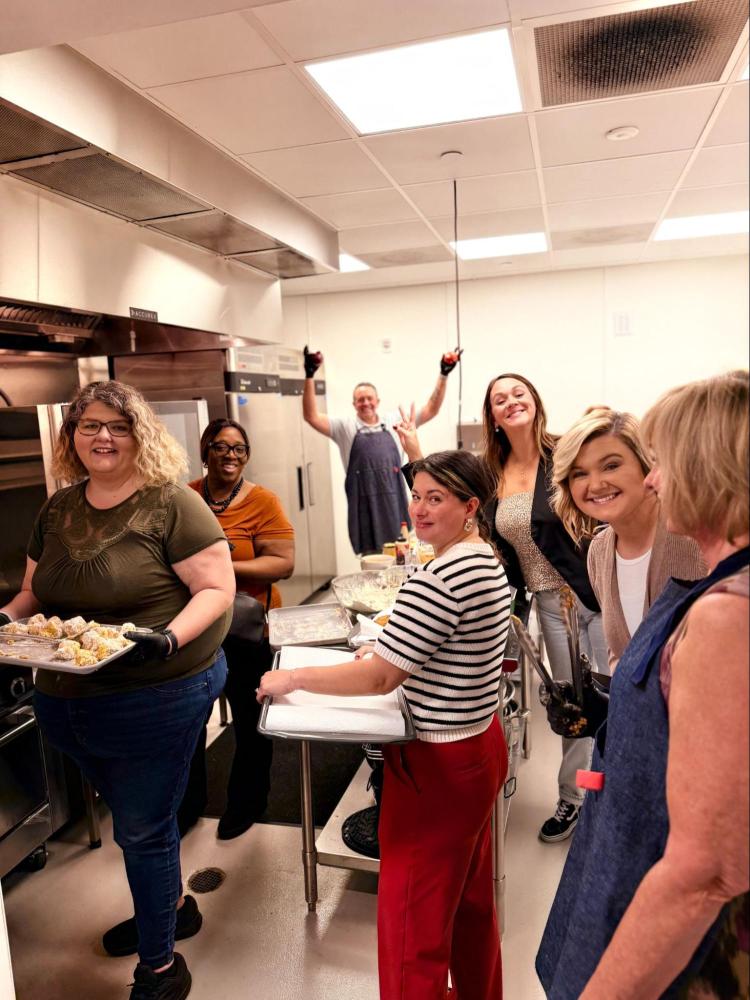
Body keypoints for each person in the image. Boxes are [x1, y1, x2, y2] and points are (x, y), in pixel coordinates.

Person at [0, 380, 235, 1000]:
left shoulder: (172, 504)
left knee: (141, 828)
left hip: (159, 689)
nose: (103, 436)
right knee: (138, 812)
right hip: (67, 699)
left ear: (141, 434)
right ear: (71, 438)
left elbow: (216, 590)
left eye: (118, 425)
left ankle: (161, 968)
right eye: (89, 426)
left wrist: (168, 638)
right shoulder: (57, 508)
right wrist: (6, 622)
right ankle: (174, 904)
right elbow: (33, 594)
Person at [258, 450, 511, 1000]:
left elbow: (378, 681)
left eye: (436, 498)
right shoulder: (481, 557)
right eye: (416, 496)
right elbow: (435, 648)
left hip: (438, 766)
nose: (420, 510)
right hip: (477, 747)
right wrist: (389, 645)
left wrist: (294, 678)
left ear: (471, 505)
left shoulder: (443, 574)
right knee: (468, 902)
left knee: (411, 923)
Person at [536, 371, 749, 1000]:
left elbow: (703, 872)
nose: (655, 479)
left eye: (664, 463)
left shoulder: (722, 610)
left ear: (711, 469)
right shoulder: (605, 552)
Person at [481, 373, 607, 843]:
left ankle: (610, 799)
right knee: (573, 705)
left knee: (613, 701)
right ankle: (576, 799)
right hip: (549, 604)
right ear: (491, 415)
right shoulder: (493, 473)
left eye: (519, 393)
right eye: (500, 398)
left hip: (596, 592)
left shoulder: (564, 454)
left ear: (534, 400)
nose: (512, 401)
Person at [178, 418, 295, 840]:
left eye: (239, 449)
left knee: (250, 718)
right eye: (222, 447)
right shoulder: (184, 497)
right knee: (190, 721)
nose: (231, 455)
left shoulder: (262, 502)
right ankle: (188, 805)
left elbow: (283, 563)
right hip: (194, 628)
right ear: (206, 449)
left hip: (246, 629)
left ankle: (247, 804)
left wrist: (218, 567)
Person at [551, 406, 706, 670]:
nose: (596, 484)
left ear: (646, 463)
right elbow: (620, 655)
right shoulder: (599, 552)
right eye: (580, 474)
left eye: (611, 466)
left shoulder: (694, 534)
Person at [302, 344, 461, 555]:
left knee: (402, 559)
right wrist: (309, 375)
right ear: (354, 404)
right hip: (363, 510)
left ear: (377, 401)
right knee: (372, 563)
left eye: (369, 398)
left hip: (394, 507)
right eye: (360, 400)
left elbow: (432, 409)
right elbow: (311, 416)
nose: (365, 403)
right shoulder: (345, 427)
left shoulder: (395, 421)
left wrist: (443, 374)